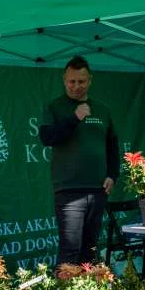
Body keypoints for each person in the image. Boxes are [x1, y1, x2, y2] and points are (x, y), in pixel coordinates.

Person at [38, 55, 119, 266]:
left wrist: (112, 174)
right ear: (64, 80)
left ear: (90, 81)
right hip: (68, 191)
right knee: (70, 250)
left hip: (97, 190)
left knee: (90, 250)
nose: (76, 86)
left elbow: (112, 145)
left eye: (81, 82)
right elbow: (47, 138)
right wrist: (74, 118)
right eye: (71, 81)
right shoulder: (54, 107)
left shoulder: (103, 109)